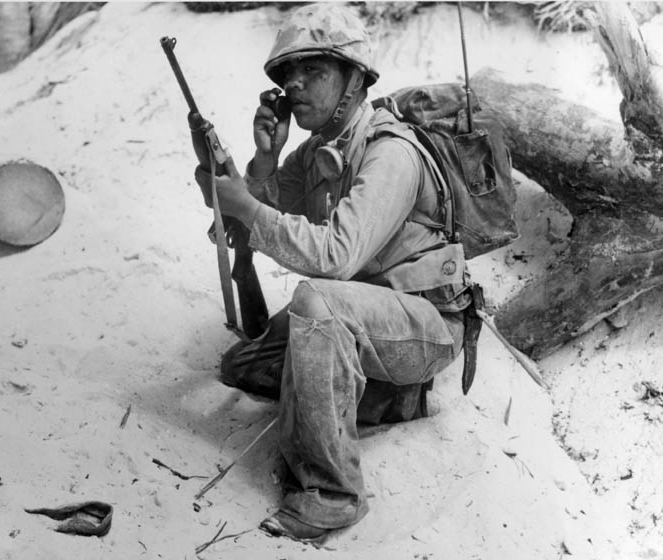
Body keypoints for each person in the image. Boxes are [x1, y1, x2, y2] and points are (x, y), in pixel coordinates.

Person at [195, 3, 472, 542]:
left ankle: (334, 492)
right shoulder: (318, 150)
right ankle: (371, 395)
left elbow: (334, 256)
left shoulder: (391, 152)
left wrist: (249, 209)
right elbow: (255, 223)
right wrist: (263, 163)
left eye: (314, 72)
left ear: (355, 79)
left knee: (315, 300)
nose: (295, 86)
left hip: (425, 324)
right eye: (287, 76)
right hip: (365, 315)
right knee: (243, 368)